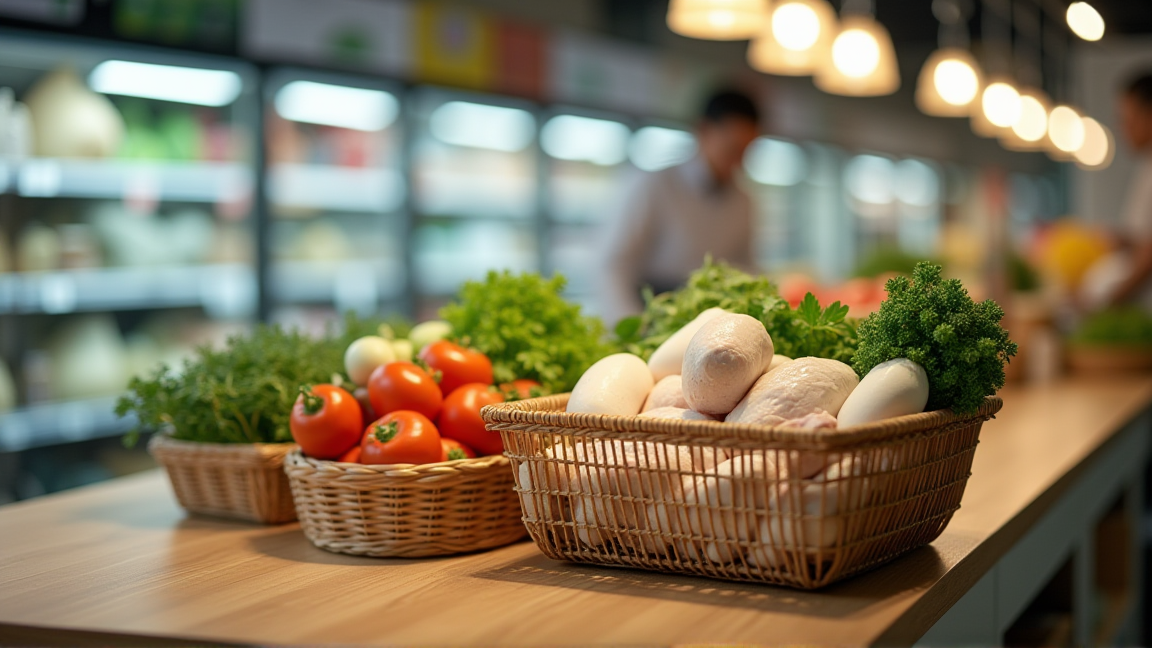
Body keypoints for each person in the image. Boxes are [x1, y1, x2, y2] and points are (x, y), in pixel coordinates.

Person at [599, 89, 761, 325]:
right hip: (651, 311)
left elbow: (747, 266)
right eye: (732, 149)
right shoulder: (654, 185)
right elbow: (614, 264)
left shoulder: (744, 200)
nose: (738, 162)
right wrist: (632, 326)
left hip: (711, 321)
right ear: (704, 130)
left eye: (746, 152)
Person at [1108, 72, 1152, 308]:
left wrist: (1106, 303)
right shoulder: (1146, 165)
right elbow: (1142, 239)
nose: (1123, 128)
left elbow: (1148, 257)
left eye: (1128, 118)